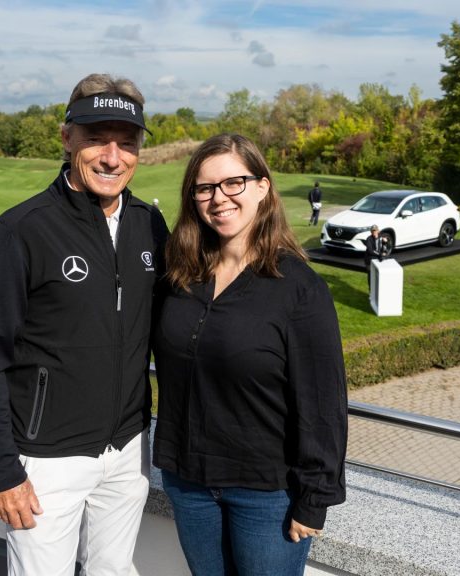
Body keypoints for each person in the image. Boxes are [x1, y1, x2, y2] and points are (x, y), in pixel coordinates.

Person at [0, 73, 168, 576]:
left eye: (127, 142)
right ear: (67, 137)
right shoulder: (20, 231)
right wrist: (4, 473)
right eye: (96, 138)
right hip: (47, 459)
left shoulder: (149, 224)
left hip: (129, 448)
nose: (112, 157)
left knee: (113, 571)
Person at [153, 133, 347, 576]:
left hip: (265, 494)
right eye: (205, 188)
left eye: (233, 183)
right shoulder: (180, 276)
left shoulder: (299, 289)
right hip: (187, 482)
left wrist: (313, 500)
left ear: (262, 187)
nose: (219, 198)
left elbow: (322, 404)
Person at [364, 224, 384, 291]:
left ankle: (377, 291)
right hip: (369, 260)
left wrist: (385, 244)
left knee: (378, 275)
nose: (374, 232)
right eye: (372, 231)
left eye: (375, 230)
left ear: (378, 231)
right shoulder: (369, 239)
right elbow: (370, 251)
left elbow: (384, 247)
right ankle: (371, 292)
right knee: (371, 276)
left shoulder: (381, 238)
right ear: (371, 232)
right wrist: (379, 254)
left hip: (377, 259)